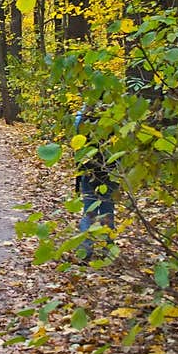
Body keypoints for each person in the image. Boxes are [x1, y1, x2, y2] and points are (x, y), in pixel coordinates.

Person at [73, 103, 117, 261]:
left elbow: (76, 144)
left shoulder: (82, 118)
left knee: (89, 211)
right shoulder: (115, 117)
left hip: (89, 171)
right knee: (108, 209)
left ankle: (85, 251)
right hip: (110, 172)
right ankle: (109, 250)